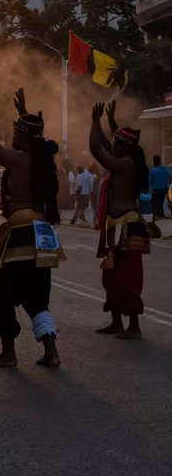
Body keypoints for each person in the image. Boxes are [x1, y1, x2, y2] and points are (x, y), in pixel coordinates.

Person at [0, 85, 64, 369]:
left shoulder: (18, 159)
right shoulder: (44, 162)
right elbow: (36, 138)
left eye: (16, 132)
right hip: (43, 234)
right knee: (37, 298)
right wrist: (23, 113)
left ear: (23, 137)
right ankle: (51, 352)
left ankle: (9, 354)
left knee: (0, 295)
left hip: (21, 233)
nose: (12, 136)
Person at [90, 100, 151, 339]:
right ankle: (116, 321)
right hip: (116, 225)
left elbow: (97, 149)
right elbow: (109, 143)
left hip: (127, 224)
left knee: (128, 276)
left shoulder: (125, 166)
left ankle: (133, 326)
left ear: (123, 148)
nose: (111, 145)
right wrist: (111, 121)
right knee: (112, 276)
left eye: (115, 143)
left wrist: (95, 122)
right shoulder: (125, 161)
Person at [148, 154, 171, 222]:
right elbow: (169, 177)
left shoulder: (152, 171)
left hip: (156, 191)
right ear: (160, 161)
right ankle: (163, 218)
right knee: (163, 206)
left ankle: (157, 219)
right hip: (165, 190)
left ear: (154, 161)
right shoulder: (165, 169)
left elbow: (149, 182)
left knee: (155, 207)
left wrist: (151, 190)